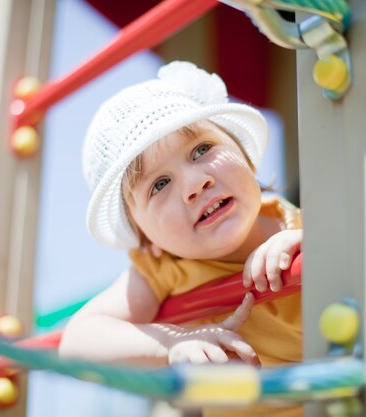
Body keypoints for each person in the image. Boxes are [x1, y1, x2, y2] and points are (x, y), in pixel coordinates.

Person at [60, 61, 303, 416]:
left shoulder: (301, 222)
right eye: (160, 184)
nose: (194, 183)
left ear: (244, 156)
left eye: (202, 149)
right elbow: (76, 345)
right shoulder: (166, 268)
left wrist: (309, 242)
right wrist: (173, 342)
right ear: (148, 239)